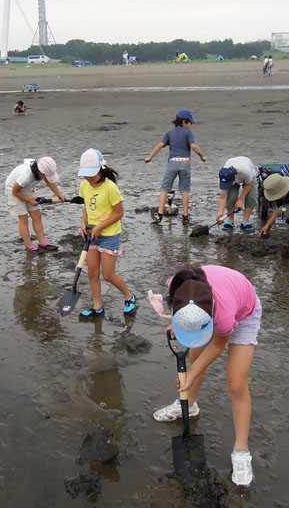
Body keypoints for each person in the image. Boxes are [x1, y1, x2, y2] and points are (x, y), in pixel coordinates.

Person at [152, 265, 262, 487]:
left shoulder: (224, 315)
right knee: (195, 358)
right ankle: (189, 405)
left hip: (244, 313)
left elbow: (217, 346)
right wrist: (179, 323)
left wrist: (191, 373)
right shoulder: (178, 284)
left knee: (236, 384)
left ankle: (241, 449)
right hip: (206, 309)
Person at [77, 148, 136, 317]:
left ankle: (129, 297)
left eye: (91, 174)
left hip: (109, 236)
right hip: (91, 235)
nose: (88, 178)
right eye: (86, 174)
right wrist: (83, 223)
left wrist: (100, 227)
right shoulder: (84, 185)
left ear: (101, 170)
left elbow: (119, 213)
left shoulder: (110, 188)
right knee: (92, 273)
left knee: (108, 275)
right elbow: (87, 207)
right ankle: (98, 307)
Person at [145, 109, 207, 223]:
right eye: (190, 122)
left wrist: (150, 157)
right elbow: (194, 146)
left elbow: (159, 145)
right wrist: (201, 156)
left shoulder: (170, 133)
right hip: (185, 162)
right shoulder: (188, 133)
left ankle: (159, 214)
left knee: (164, 188)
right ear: (184, 122)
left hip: (173, 162)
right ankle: (185, 215)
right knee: (185, 190)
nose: (191, 125)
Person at [5, 156, 65, 252]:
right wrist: (30, 201)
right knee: (23, 219)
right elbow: (15, 191)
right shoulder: (26, 176)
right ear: (40, 173)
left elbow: (49, 182)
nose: (46, 178)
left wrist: (59, 195)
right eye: (45, 176)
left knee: (37, 216)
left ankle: (42, 242)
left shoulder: (42, 170)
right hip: (13, 190)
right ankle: (29, 246)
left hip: (27, 188)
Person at [217, 156, 258, 231]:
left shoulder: (245, 171)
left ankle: (245, 221)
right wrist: (220, 214)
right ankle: (230, 221)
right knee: (231, 197)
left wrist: (241, 200)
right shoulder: (223, 177)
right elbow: (223, 197)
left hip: (248, 174)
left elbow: (248, 185)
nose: (227, 186)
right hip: (232, 171)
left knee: (251, 197)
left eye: (229, 183)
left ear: (236, 177)